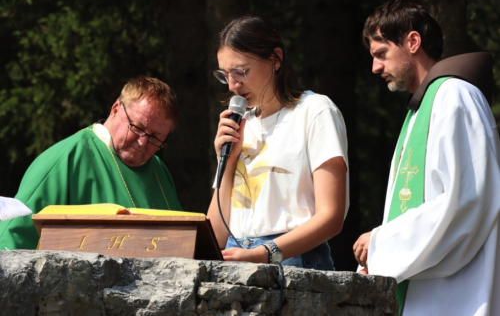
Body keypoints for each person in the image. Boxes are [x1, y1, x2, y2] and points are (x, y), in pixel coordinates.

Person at [353, 0, 500, 315]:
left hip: (459, 295)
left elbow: (465, 201)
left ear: (413, 41)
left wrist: (382, 242)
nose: (375, 67)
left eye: (381, 54)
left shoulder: (455, 96)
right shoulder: (421, 109)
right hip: (429, 288)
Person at [207, 14, 349, 270]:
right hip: (234, 257)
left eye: (240, 72)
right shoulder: (240, 124)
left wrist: (266, 252)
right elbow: (216, 234)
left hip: (294, 260)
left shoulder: (315, 111)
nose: (232, 86)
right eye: (225, 75)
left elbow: (332, 217)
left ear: (275, 59)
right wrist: (226, 161)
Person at [0, 76, 183, 250]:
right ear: (115, 109)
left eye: (155, 138)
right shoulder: (66, 158)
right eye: (137, 128)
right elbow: (12, 240)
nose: (143, 142)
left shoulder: (159, 169)